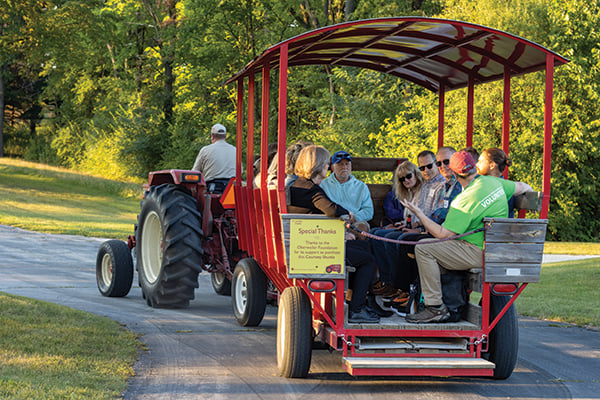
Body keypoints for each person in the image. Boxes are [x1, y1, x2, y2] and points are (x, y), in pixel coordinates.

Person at [400, 150, 533, 323]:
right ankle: (445, 302)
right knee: (429, 248)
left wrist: (419, 213)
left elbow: (443, 234)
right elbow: (523, 187)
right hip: (496, 250)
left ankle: (435, 308)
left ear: (455, 174)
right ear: (474, 168)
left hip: (479, 252)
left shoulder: (465, 200)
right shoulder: (494, 182)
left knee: (424, 248)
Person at [287, 145, 381, 324]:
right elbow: (331, 210)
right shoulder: (310, 189)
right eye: (326, 164)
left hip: (313, 238)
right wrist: (346, 217)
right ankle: (357, 309)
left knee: (364, 246)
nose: (328, 167)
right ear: (317, 165)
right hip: (316, 247)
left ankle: (358, 299)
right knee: (368, 260)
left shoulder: (301, 185)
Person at [370, 161, 423, 300]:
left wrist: (409, 226)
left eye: (408, 176)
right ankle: (387, 281)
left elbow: (423, 217)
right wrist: (401, 224)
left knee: (391, 238)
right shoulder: (408, 193)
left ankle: (398, 284)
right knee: (376, 235)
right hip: (409, 227)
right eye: (401, 179)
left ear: (416, 174)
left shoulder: (423, 190)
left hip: (421, 230)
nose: (406, 180)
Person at [320, 150, 374, 225]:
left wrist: (355, 218)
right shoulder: (323, 185)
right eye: (340, 164)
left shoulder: (361, 186)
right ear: (332, 167)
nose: (344, 167)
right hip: (330, 221)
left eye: (347, 164)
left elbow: (368, 210)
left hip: (354, 222)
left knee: (362, 227)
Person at [192, 123, 236, 193]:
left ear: (212, 137)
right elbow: (240, 171)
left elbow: (195, 172)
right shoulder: (235, 150)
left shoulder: (205, 150)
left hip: (213, 188)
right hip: (232, 189)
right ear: (225, 136)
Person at [476, 147, 515, 217]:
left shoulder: (498, 188)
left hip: (496, 226)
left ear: (492, 165)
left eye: (480, 161)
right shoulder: (505, 185)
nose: (477, 164)